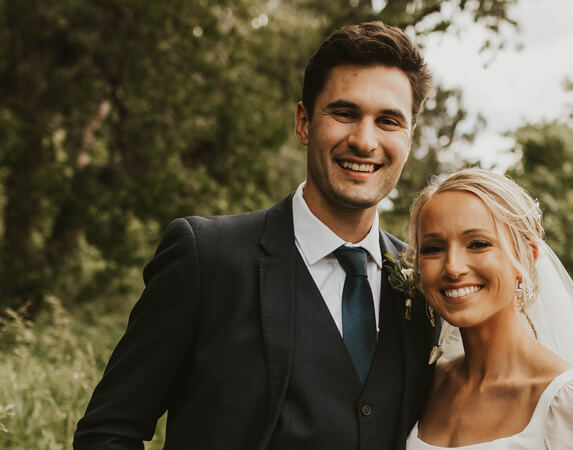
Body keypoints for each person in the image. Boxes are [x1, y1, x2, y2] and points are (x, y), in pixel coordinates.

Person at [74, 21, 439, 450]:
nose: (364, 140)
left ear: (409, 138)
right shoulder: (205, 258)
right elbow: (108, 432)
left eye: (388, 121)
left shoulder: (427, 283)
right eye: (344, 113)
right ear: (303, 123)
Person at [404, 168, 573, 449]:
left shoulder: (571, 402)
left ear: (527, 258)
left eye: (478, 244)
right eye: (433, 248)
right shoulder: (430, 383)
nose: (453, 268)